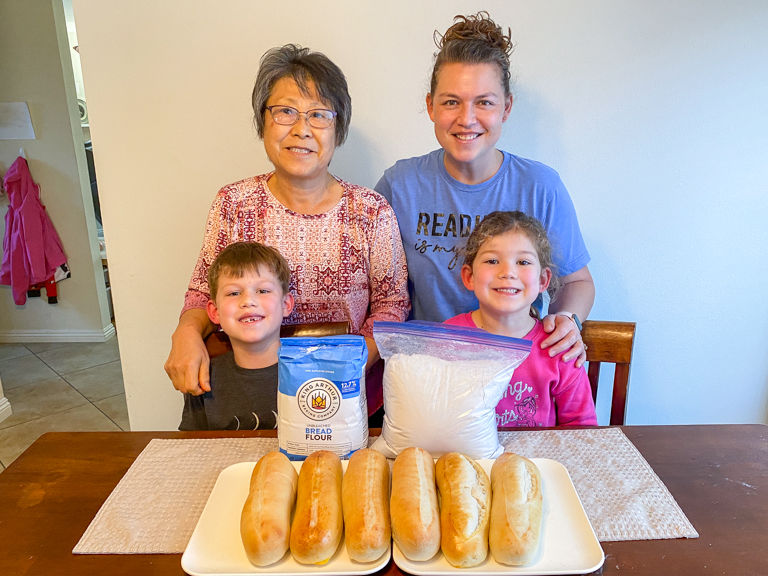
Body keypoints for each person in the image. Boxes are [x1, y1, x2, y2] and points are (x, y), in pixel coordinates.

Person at [165, 45, 410, 420]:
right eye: (285, 112)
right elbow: (204, 290)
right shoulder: (233, 203)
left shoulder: (371, 211)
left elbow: (393, 305)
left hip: (349, 396)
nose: (302, 129)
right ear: (263, 120)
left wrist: (342, 369)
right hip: (249, 398)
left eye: (319, 115)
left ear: (338, 128)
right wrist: (185, 332)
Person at [376, 12, 594, 366]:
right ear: (430, 106)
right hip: (429, 376)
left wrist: (568, 320)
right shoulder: (399, 186)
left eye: (484, 102)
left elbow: (578, 282)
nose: (467, 118)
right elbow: (379, 292)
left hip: (518, 373)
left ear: (506, 108)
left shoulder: (540, 187)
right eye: (451, 101)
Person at [445, 211, 597, 427]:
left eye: (523, 262)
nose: (508, 272)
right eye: (492, 260)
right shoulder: (445, 340)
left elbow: (581, 428)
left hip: (538, 461)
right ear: (469, 276)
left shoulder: (559, 346)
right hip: (462, 459)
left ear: (543, 280)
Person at [179, 242, 294, 430]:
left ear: (286, 304)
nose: (248, 301)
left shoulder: (311, 372)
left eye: (263, 291)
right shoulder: (204, 376)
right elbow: (193, 447)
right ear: (215, 311)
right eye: (234, 293)